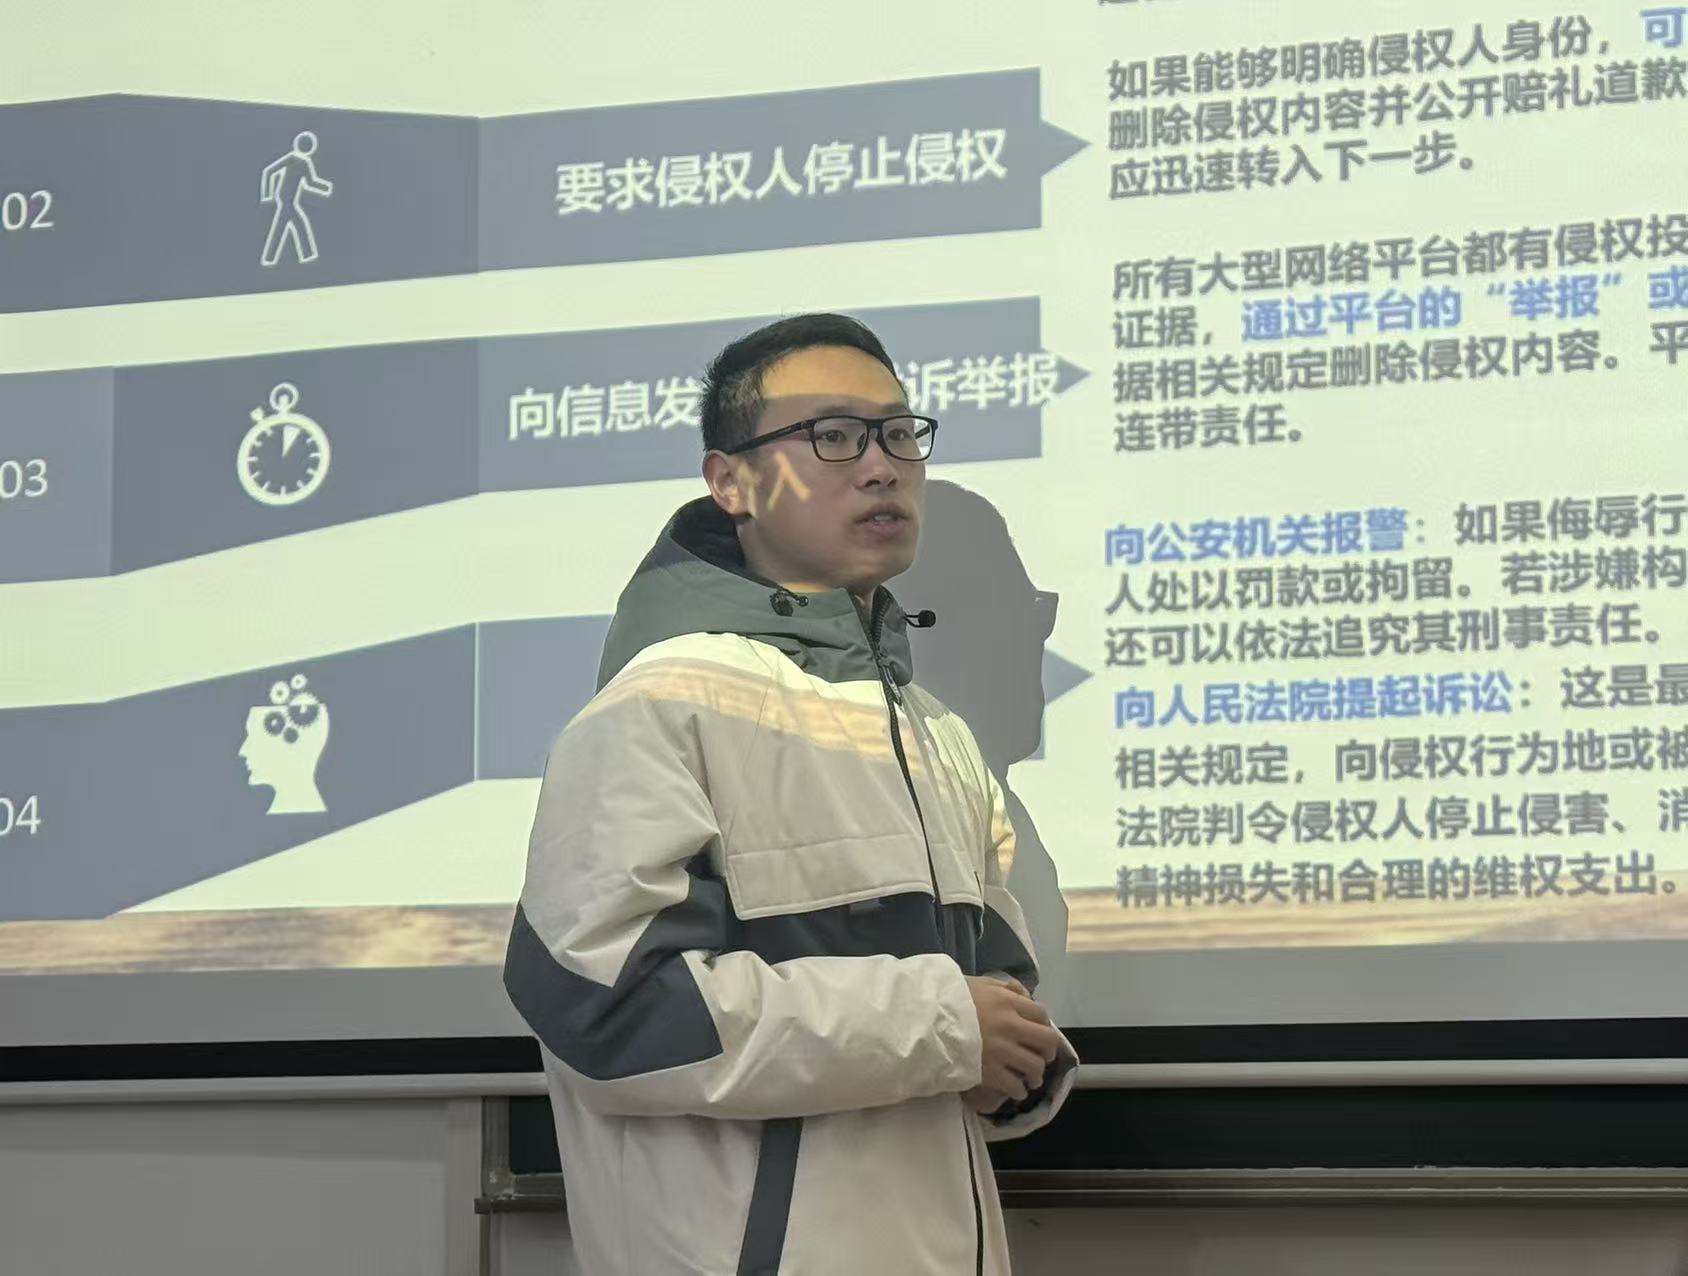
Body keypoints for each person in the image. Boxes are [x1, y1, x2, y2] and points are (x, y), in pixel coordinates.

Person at [503, 313, 1078, 1275]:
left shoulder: (939, 735)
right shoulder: (660, 704)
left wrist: (1011, 1059)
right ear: (730, 482)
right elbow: (611, 1016)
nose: (882, 466)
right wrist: (944, 1026)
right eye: (834, 435)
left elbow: (996, 1001)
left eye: (899, 433)